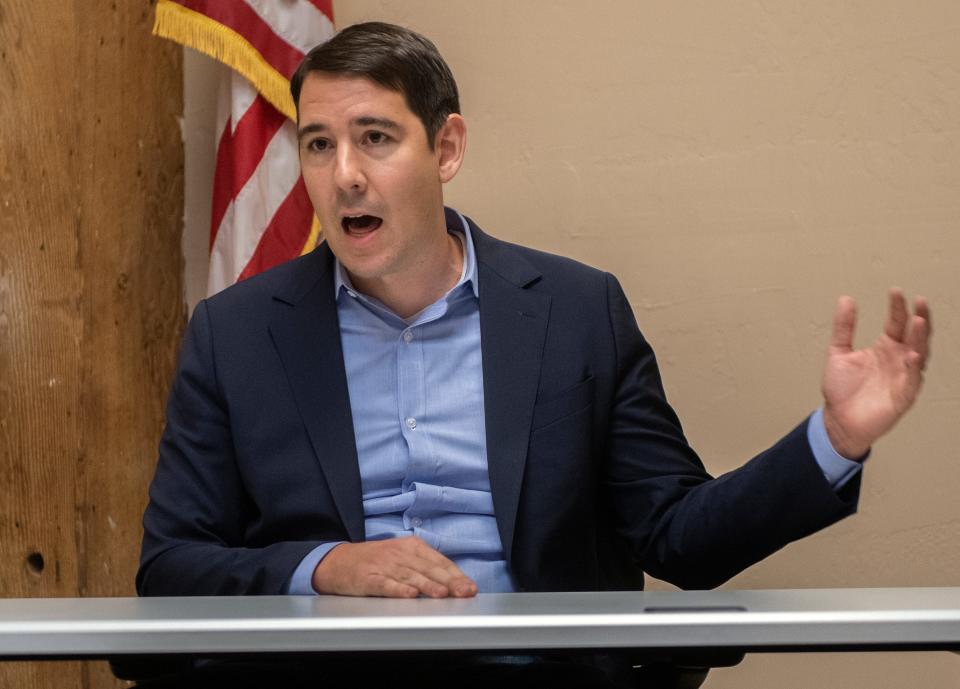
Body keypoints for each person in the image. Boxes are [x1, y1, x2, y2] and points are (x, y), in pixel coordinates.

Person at [136, 21, 931, 687]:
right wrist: (324, 567)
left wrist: (835, 438)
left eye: (375, 138)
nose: (344, 175)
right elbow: (171, 568)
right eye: (318, 144)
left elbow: (682, 538)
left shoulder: (578, 313)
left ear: (446, 148)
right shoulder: (235, 334)